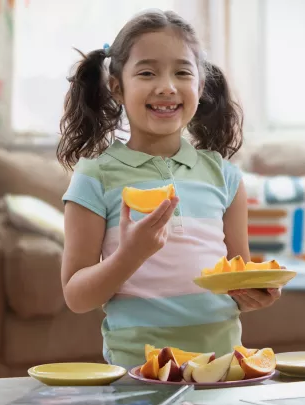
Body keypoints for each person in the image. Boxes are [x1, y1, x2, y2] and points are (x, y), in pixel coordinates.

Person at [58, 9, 280, 368]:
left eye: (182, 72)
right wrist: (131, 254)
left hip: (221, 364)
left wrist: (258, 292)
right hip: (139, 369)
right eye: (147, 72)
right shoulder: (94, 176)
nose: (166, 86)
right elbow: (76, 296)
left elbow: (236, 274)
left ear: (200, 86)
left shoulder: (225, 177)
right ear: (117, 86)